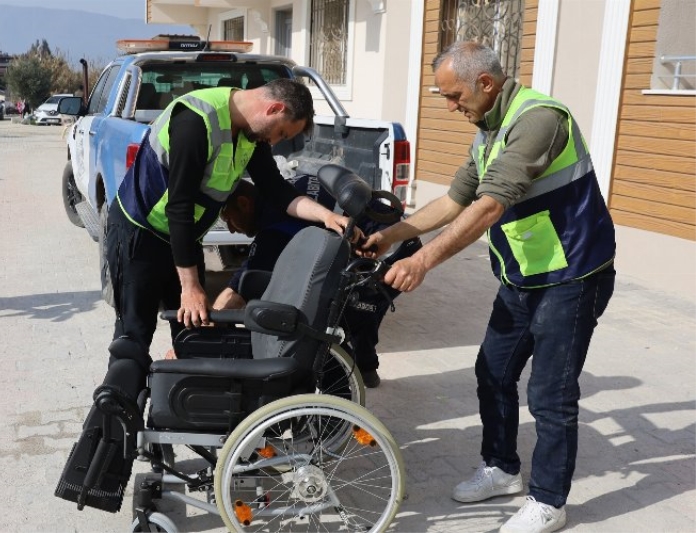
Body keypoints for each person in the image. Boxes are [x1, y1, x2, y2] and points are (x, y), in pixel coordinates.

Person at [360, 41, 616, 533]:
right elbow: (455, 201)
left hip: (573, 275)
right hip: (524, 273)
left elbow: (489, 206)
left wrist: (425, 260)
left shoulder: (539, 119)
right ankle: (501, 469)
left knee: (550, 394)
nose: (451, 107)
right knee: (493, 373)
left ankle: (549, 501)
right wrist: (391, 236)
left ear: (486, 83)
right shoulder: (488, 130)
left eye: (454, 96)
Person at [103, 77, 355, 387]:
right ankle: (116, 419)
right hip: (139, 234)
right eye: (280, 133)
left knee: (192, 330)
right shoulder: (195, 123)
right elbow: (178, 207)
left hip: (183, 238)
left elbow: (277, 191)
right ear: (275, 108)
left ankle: (183, 410)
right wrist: (190, 286)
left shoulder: (251, 136)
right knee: (135, 334)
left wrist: (326, 216)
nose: (275, 142)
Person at [213, 175, 422, 388]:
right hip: (397, 234)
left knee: (336, 315)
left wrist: (214, 319)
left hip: (394, 249)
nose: (230, 228)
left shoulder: (274, 225)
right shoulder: (283, 193)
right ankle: (365, 368)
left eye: (228, 218)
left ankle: (347, 387)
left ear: (244, 204)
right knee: (354, 303)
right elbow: (242, 278)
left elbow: (240, 290)